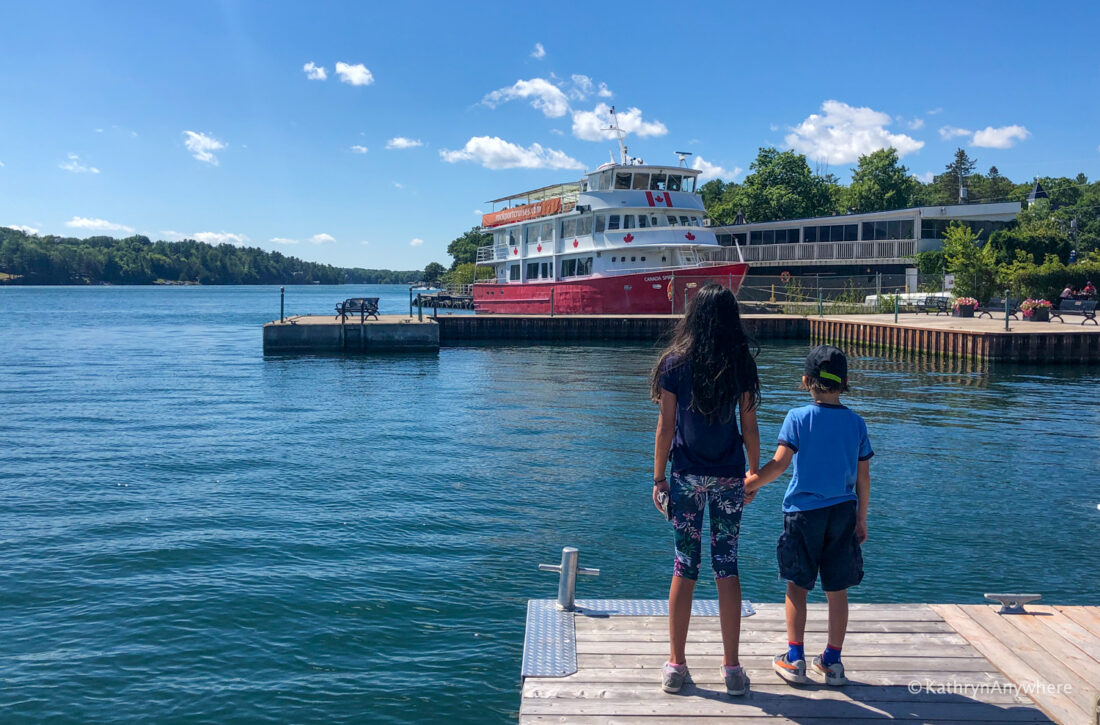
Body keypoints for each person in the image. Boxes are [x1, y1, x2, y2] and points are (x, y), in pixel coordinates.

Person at [651, 283, 761, 697]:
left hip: (686, 477)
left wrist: (658, 478)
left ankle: (676, 666)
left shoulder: (674, 362)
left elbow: (665, 427)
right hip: (730, 476)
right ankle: (732, 670)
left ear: (692, 317)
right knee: (726, 566)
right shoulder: (740, 363)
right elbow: (749, 426)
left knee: (685, 564)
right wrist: (753, 472)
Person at [744, 345, 872, 688]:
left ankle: (795, 657)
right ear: (844, 384)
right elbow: (863, 478)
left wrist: (749, 484)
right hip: (843, 512)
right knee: (837, 589)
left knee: (797, 587)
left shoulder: (797, 418)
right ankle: (832, 660)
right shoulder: (856, 423)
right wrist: (861, 519)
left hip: (803, 514)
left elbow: (781, 464)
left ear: (805, 381)